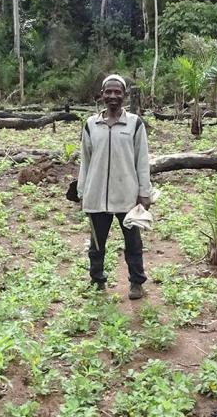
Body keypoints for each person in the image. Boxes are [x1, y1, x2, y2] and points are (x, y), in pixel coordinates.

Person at [77, 74, 151, 299]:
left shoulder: (135, 124)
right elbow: (85, 161)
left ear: (125, 96)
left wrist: (144, 192)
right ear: (101, 95)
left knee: (133, 243)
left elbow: (142, 160)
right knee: (97, 243)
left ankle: (136, 282)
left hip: (126, 196)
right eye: (108, 92)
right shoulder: (91, 125)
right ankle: (97, 280)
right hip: (97, 194)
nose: (113, 96)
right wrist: (82, 192)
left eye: (117, 92)